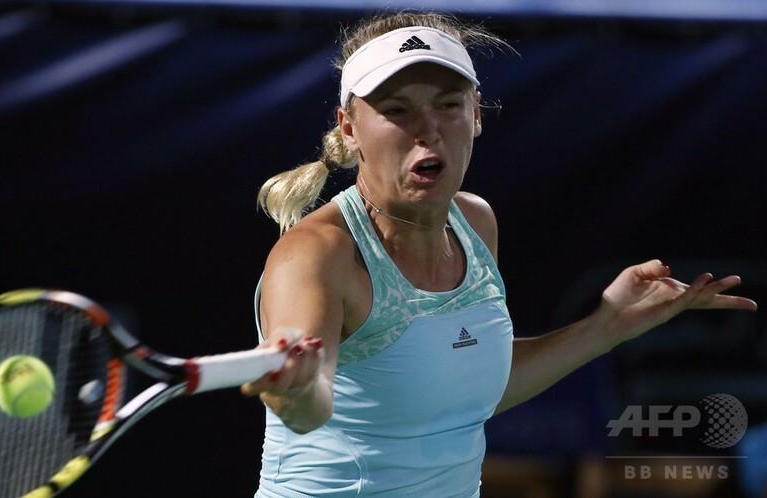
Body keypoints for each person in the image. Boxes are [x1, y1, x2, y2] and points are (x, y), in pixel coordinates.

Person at [240, 11, 758, 497]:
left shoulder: (474, 222)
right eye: (396, 110)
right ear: (350, 128)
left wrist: (608, 324)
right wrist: (296, 390)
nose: (428, 128)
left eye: (448, 104)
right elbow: (307, 406)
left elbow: (467, 390)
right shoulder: (317, 254)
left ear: (476, 114)